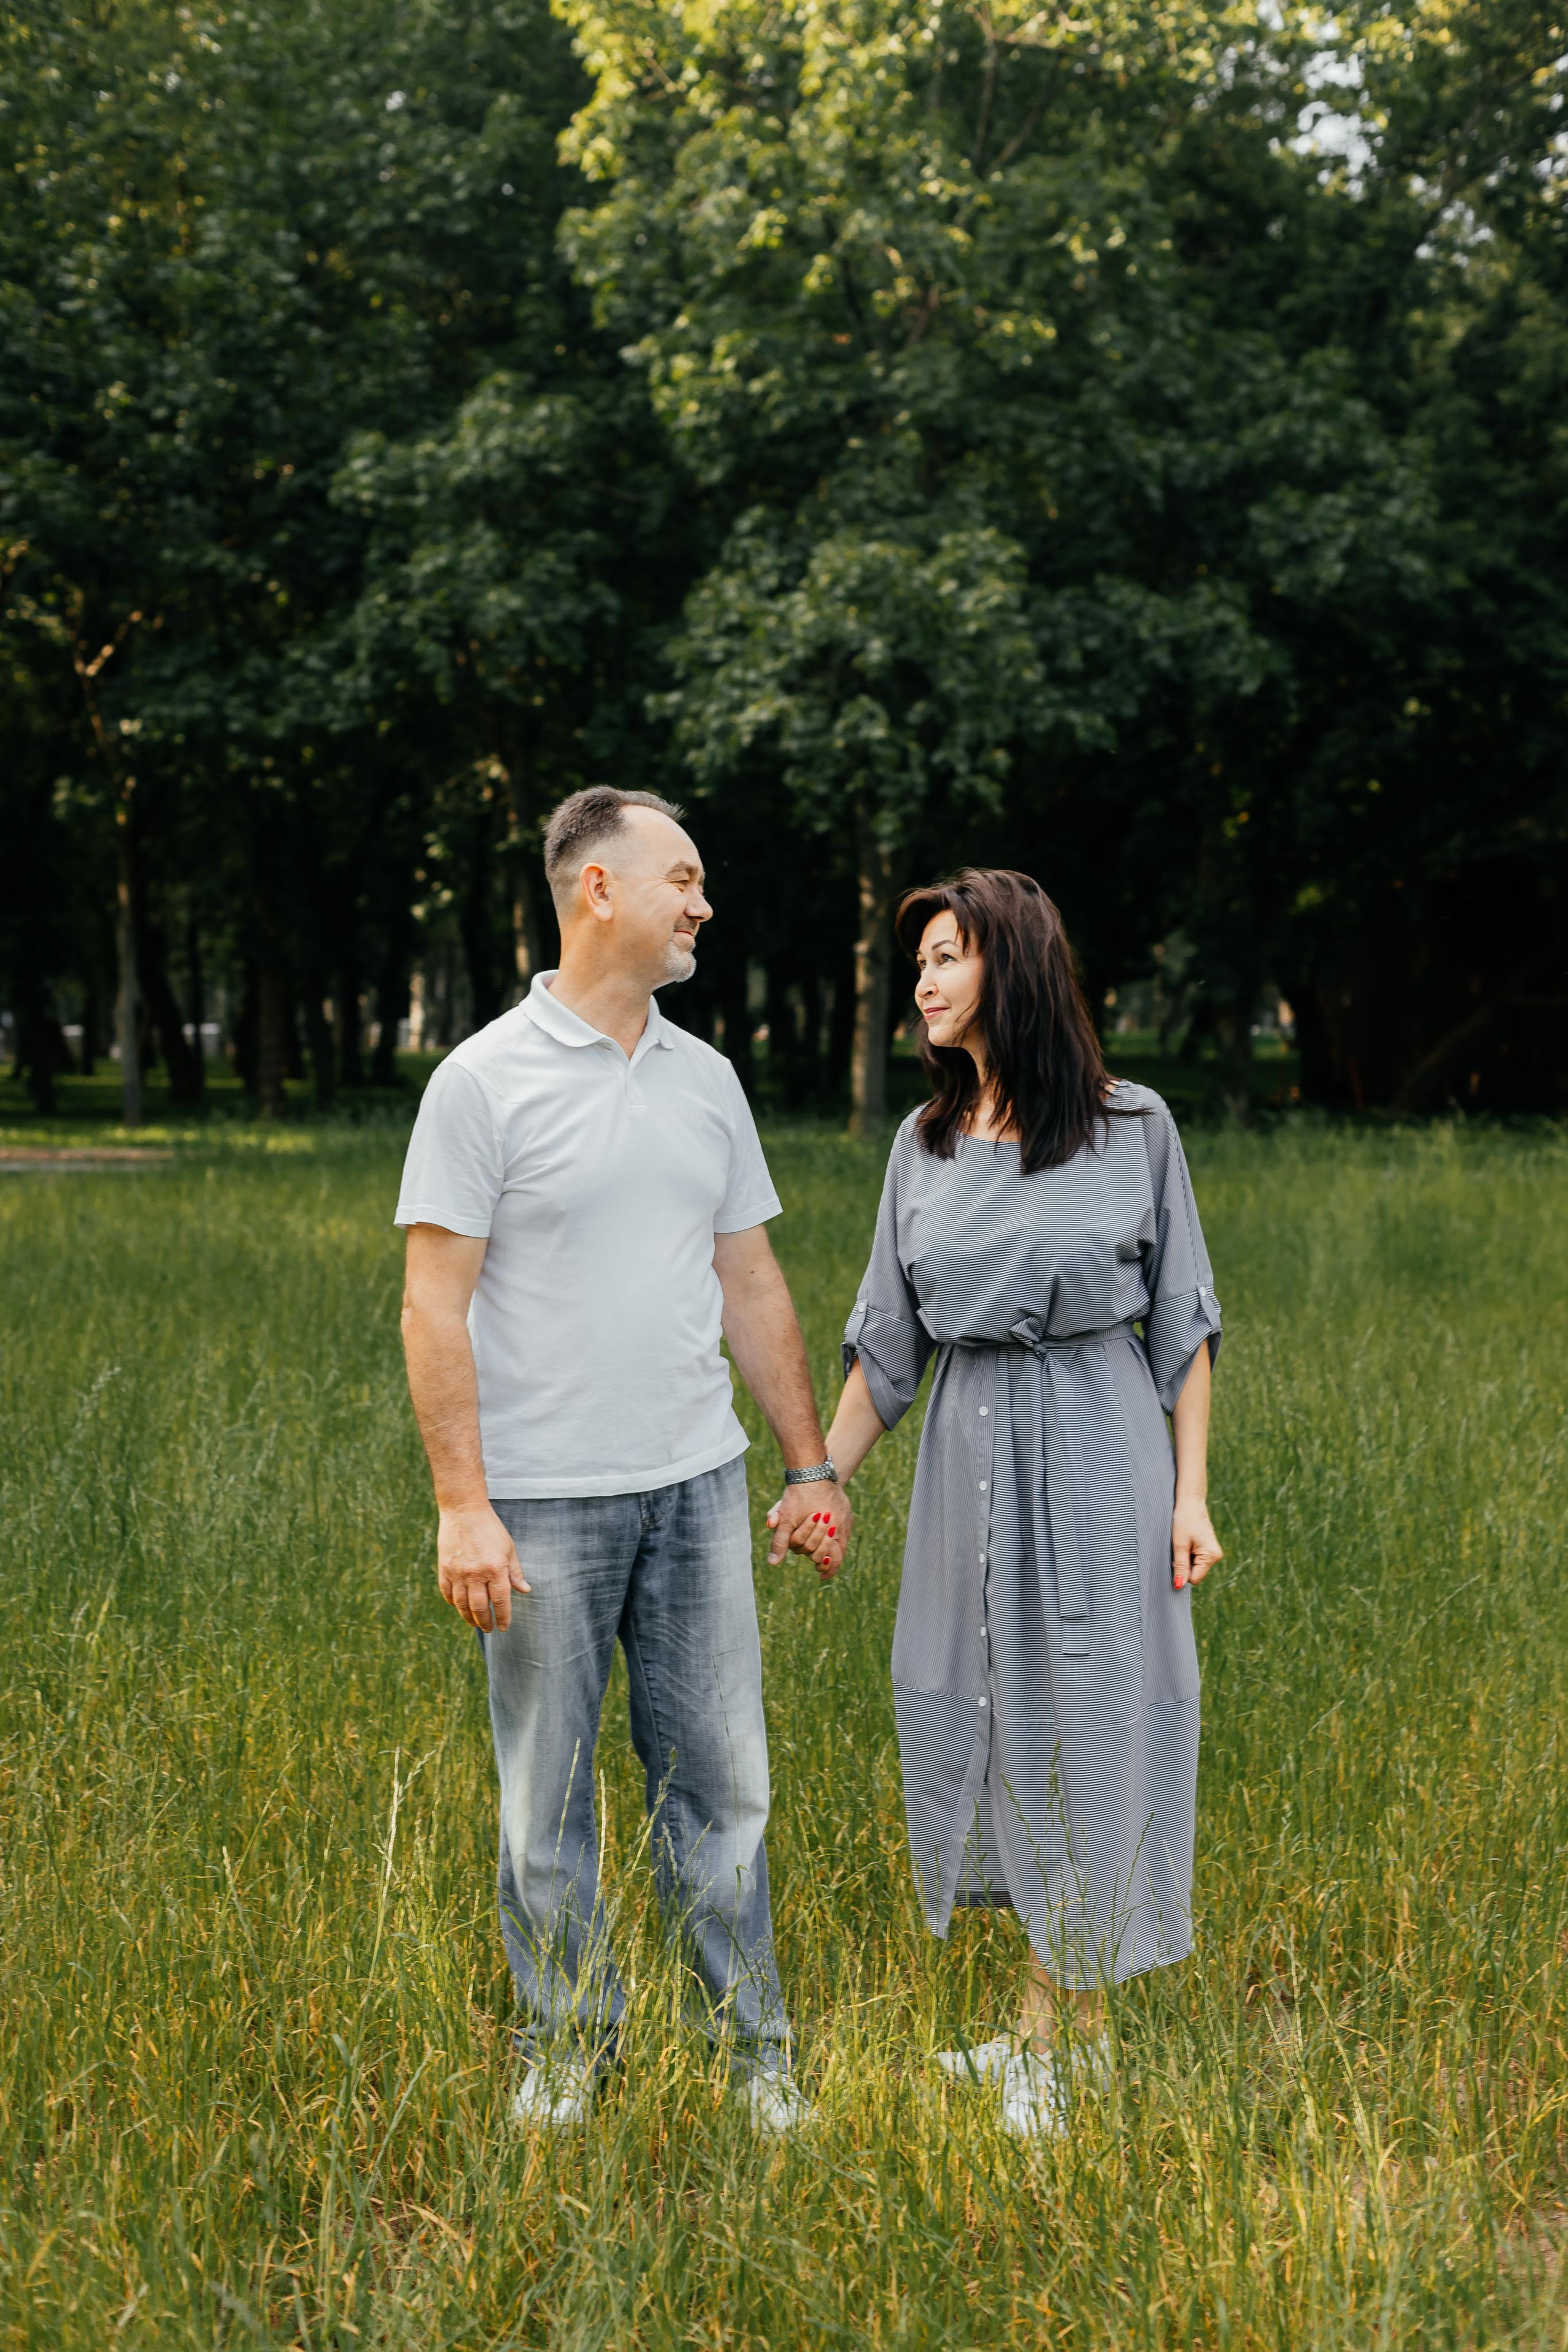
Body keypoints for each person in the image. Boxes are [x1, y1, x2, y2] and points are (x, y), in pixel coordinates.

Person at [396, 786, 852, 2133]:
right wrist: (461, 1505)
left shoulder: (707, 1080)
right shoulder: (479, 1080)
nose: (704, 903)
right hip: (539, 1500)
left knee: (721, 1788)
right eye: (684, 878)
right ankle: (567, 2048)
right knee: (547, 1798)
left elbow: (751, 1279)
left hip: (697, 1485)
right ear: (598, 888)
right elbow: (432, 1304)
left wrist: (806, 1467)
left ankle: (750, 2057)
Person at [815, 868, 1223, 2139]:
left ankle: (1065, 2049)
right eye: (919, 960)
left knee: (1089, 1721)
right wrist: (818, 1482)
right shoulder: (921, 1146)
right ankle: (1052, 2036)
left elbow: (1182, 1323)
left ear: (1013, 963)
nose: (923, 981)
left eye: (945, 955)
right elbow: (886, 1344)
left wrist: (1190, 1496)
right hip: (962, 1458)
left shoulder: (1131, 1125)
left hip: (1101, 1447)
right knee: (988, 1718)